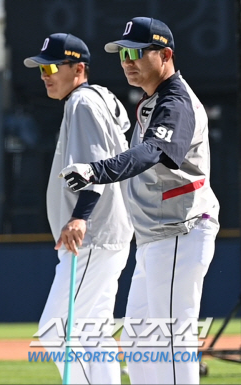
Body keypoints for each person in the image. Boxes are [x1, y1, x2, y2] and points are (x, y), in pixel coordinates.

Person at [60, 17, 219, 384]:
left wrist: (96, 171)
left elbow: (151, 153)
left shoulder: (176, 101)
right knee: (138, 344)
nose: (127, 60)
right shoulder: (153, 100)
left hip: (181, 230)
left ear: (165, 55)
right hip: (156, 237)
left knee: (169, 342)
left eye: (136, 52)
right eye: (122, 53)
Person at [23, 33, 134, 384]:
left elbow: (97, 163)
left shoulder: (82, 102)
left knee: (58, 331)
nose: (45, 74)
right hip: (110, 232)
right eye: (42, 68)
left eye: (53, 66)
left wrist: (80, 216)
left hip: (92, 236)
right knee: (93, 334)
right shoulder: (100, 97)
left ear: (79, 68)